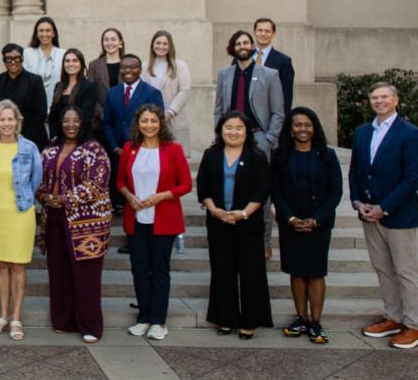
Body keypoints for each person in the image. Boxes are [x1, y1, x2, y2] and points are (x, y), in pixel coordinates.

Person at [350, 81, 418, 349]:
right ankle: (394, 317)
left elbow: (412, 179)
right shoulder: (362, 133)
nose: (379, 101)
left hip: (399, 215)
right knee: (383, 269)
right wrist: (358, 201)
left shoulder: (410, 133)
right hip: (368, 214)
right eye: (375, 97)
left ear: (395, 100)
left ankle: (415, 326)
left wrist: (384, 207)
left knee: (406, 272)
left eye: (384, 97)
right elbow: (355, 171)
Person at [118, 104, 191, 341]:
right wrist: (129, 197)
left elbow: (186, 184)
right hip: (136, 218)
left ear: (161, 123)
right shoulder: (129, 149)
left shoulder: (173, 149)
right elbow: (119, 182)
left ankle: (159, 321)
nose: (149, 125)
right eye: (144, 121)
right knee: (139, 269)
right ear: (137, 124)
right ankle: (143, 317)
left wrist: (161, 196)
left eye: (153, 121)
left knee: (159, 270)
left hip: (164, 220)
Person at [196, 111, 273, 338]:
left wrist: (243, 213)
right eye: (228, 127)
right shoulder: (211, 155)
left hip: (248, 225)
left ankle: (249, 322)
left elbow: (262, 190)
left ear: (246, 131)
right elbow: (203, 186)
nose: (233, 132)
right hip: (218, 223)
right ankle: (225, 319)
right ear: (221, 130)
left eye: (238, 128)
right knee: (222, 272)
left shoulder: (257, 156)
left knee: (251, 274)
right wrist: (213, 209)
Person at [38, 107, 111, 343]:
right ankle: (63, 321)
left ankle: (91, 326)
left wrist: (65, 199)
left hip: (86, 222)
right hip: (54, 219)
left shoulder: (94, 149)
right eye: (66, 120)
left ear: (83, 123)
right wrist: (44, 196)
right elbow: (38, 179)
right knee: (58, 272)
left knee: (86, 276)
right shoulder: (50, 148)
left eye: (76, 120)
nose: (71, 124)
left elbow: (97, 183)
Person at [213, 29, 285, 257]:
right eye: (238, 43)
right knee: (230, 188)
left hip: (258, 140)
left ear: (252, 47)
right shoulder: (224, 74)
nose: (242, 46)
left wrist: (269, 140)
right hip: (229, 139)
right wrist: (219, 135)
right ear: (232, 48)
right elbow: (219, 108)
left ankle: (264, 242)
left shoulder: (270, 74)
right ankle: (229, 236)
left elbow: (278, 112)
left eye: (246, 42)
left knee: (260, 194)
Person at [274, 107, 342, 345]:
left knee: (315, 272)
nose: (302, 129)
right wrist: (290, 218)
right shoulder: (281, 155)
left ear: (314, 128)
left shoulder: (327, 155)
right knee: (296, 271)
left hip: (319, 224)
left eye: (307, 125)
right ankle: (300, 318)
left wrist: (316, 219)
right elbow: (276, 192)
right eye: (297, 125)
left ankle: (315, 321)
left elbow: (336, 192)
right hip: (290, 223)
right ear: (290, 129)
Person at [0, 100, 44, 341]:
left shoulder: (29, 148)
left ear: (18, 122)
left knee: (17, 265)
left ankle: (17, 317)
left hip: (20, 213)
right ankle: (3, 315)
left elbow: (36, 180)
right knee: (1, 265)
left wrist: (24, 200)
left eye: (10, 119)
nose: (6, 123)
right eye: (2, 119)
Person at [101, 53, 165, 220]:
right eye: (124, 68)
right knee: (121, 193)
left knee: (139, 194)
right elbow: (107, 122)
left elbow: (157, 123)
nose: (128, 71)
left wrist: (137, 146)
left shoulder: (152, 93)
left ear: (140, 70)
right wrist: (115, 147)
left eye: (132, 67)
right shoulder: (112, 93)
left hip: (142, 151)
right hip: (117, 151)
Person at [0, 43, 49, 147]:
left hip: (32, 140)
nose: (13, 62)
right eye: (8, 59)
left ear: (22, 59)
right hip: (4, 139)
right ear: (4, 60)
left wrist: (21, 138)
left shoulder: (35, 81)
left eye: (17, 58)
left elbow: (41, 114)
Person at [144, 30, 192, 152]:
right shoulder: (144, 67)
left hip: (173, 119)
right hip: (151, 120)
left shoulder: (180, 66)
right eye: (158, 43)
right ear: (152, 45)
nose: (161, 46)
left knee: (175, 157)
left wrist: (169, 112)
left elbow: (184, 90)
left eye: (165, 44)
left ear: (170, 46)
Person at [46, 48, 100, 140]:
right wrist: (55, 135)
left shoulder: (90, 87)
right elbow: (53, 116)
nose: (71, 64)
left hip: (82, 139)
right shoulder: (58, 86)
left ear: (81, 64)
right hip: (59, 139)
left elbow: (85, 117)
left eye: (75, 61)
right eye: (67, 61)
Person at [253, 17, 295, 112]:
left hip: (270, 115)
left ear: (273, 34)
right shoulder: (242, 57)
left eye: (267, 31)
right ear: (254, 32)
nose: (263, 34)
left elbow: (286, 95)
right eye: (260, 30)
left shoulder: (284, 61)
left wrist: (281, 122)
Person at [87, 27, 127, 127]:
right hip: (100, 122)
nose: (110, 43)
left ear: (120, 42)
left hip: (125, 119)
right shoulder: (94, 65)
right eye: (106, 40)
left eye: (113, 39)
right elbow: (89, 94)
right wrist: (102, 113)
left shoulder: (128, 64)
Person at [22, 16, 65, 107]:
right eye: (41, 30)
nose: (44, 34)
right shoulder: (27, 53)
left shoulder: (62, 54)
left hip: (57, 106)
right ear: (36, 34)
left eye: (48, 30)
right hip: (32, 105)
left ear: (54, 34)